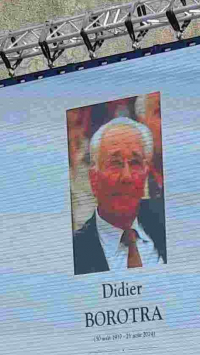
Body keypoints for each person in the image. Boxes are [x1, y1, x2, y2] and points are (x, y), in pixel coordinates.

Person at [72, 116, 168, 274]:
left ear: (145, 174)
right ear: (94, 179)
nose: (127, 177)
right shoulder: (77, 252)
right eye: (115, 163)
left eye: (135, 163)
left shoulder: (166, 218)